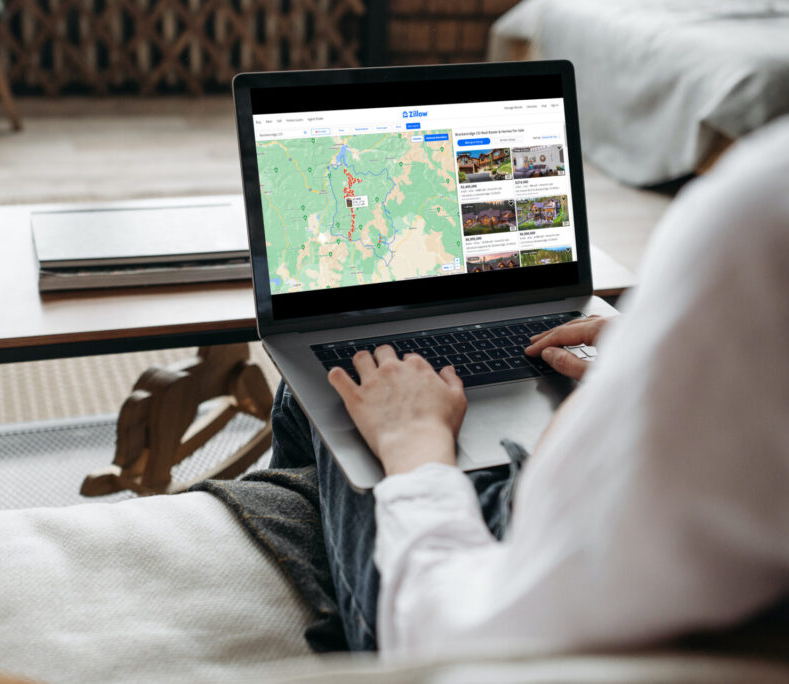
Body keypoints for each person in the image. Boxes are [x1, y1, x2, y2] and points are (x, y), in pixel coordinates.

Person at [266, 117, 789, 659]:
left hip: (477, 601)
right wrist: (656, 358)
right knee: (340, 388)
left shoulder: (759, 212)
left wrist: (416, 445)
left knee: (331, 391)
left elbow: (455, 637)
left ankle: (277, 546)